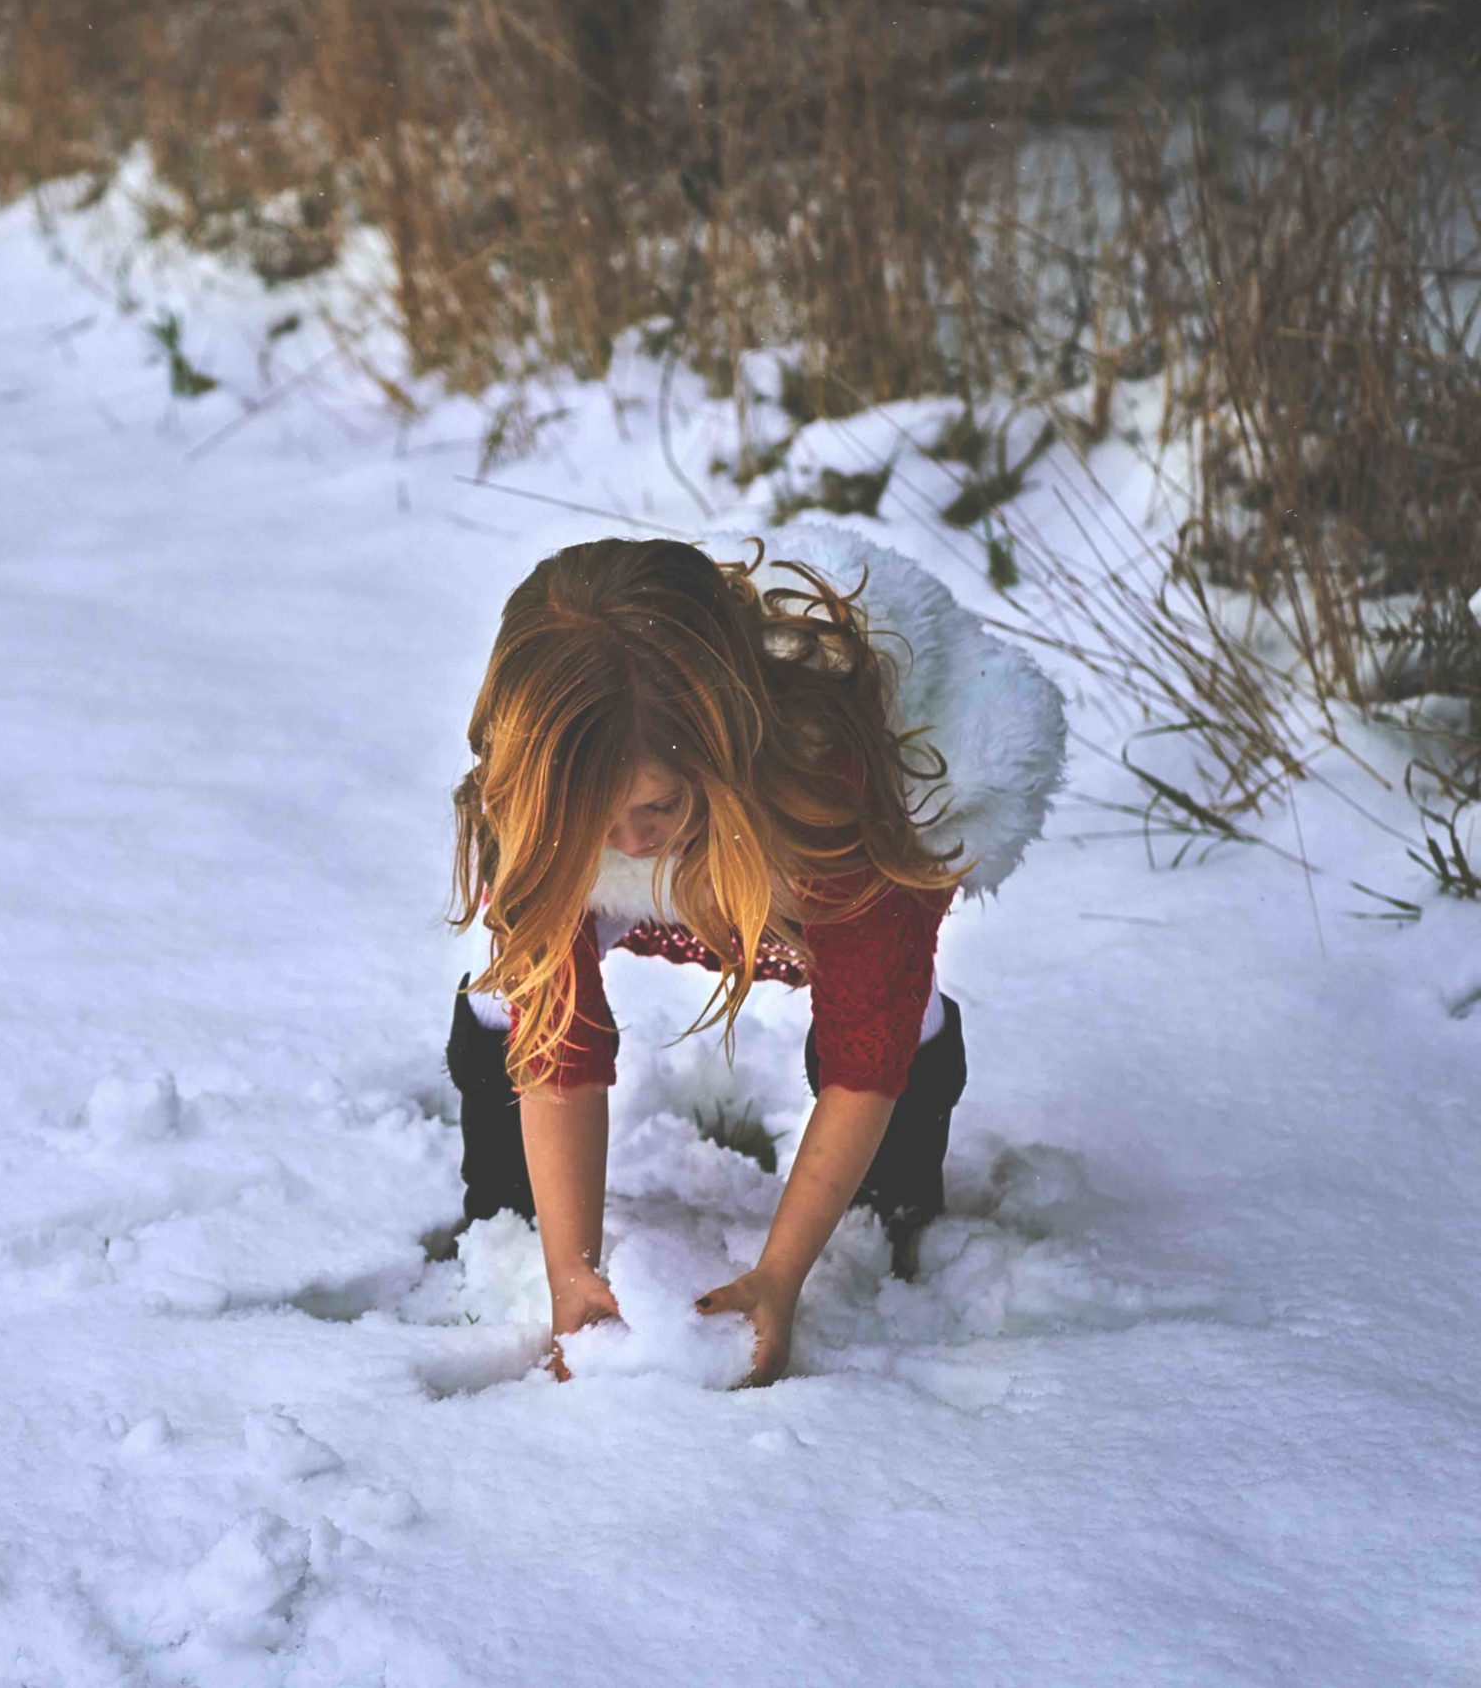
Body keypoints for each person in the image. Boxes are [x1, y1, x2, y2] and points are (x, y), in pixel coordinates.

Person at [443, 528, 1065, 1385]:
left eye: (655, 805)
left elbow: (863, 1059)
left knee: (891, 1018)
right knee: (511, 1003)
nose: (631, 839)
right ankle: (503, 1214)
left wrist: (779, 1277)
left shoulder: (836, 803)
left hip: (794, 856)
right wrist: (568, 1272)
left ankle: (889, 1215)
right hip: (690, 837)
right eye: (602, 814)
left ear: (717, 750)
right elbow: (560, 1049)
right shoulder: (551, 808)